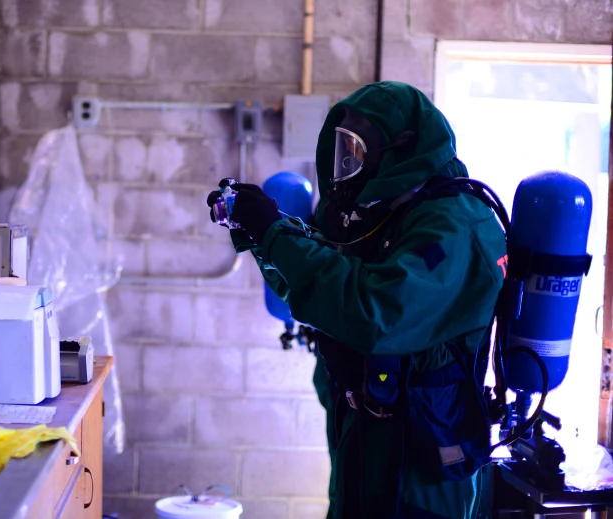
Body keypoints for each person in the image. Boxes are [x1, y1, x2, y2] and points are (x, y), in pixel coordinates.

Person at [207, 81, 507, 518]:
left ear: (399, 149)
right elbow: (322, 292)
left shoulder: (455, 225)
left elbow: (374, 313)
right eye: (342, 151)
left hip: (423, 460)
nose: (347, 166)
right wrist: (262, 235)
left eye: (357, 151)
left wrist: (275, 235)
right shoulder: (386, 216)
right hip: (368, 433)